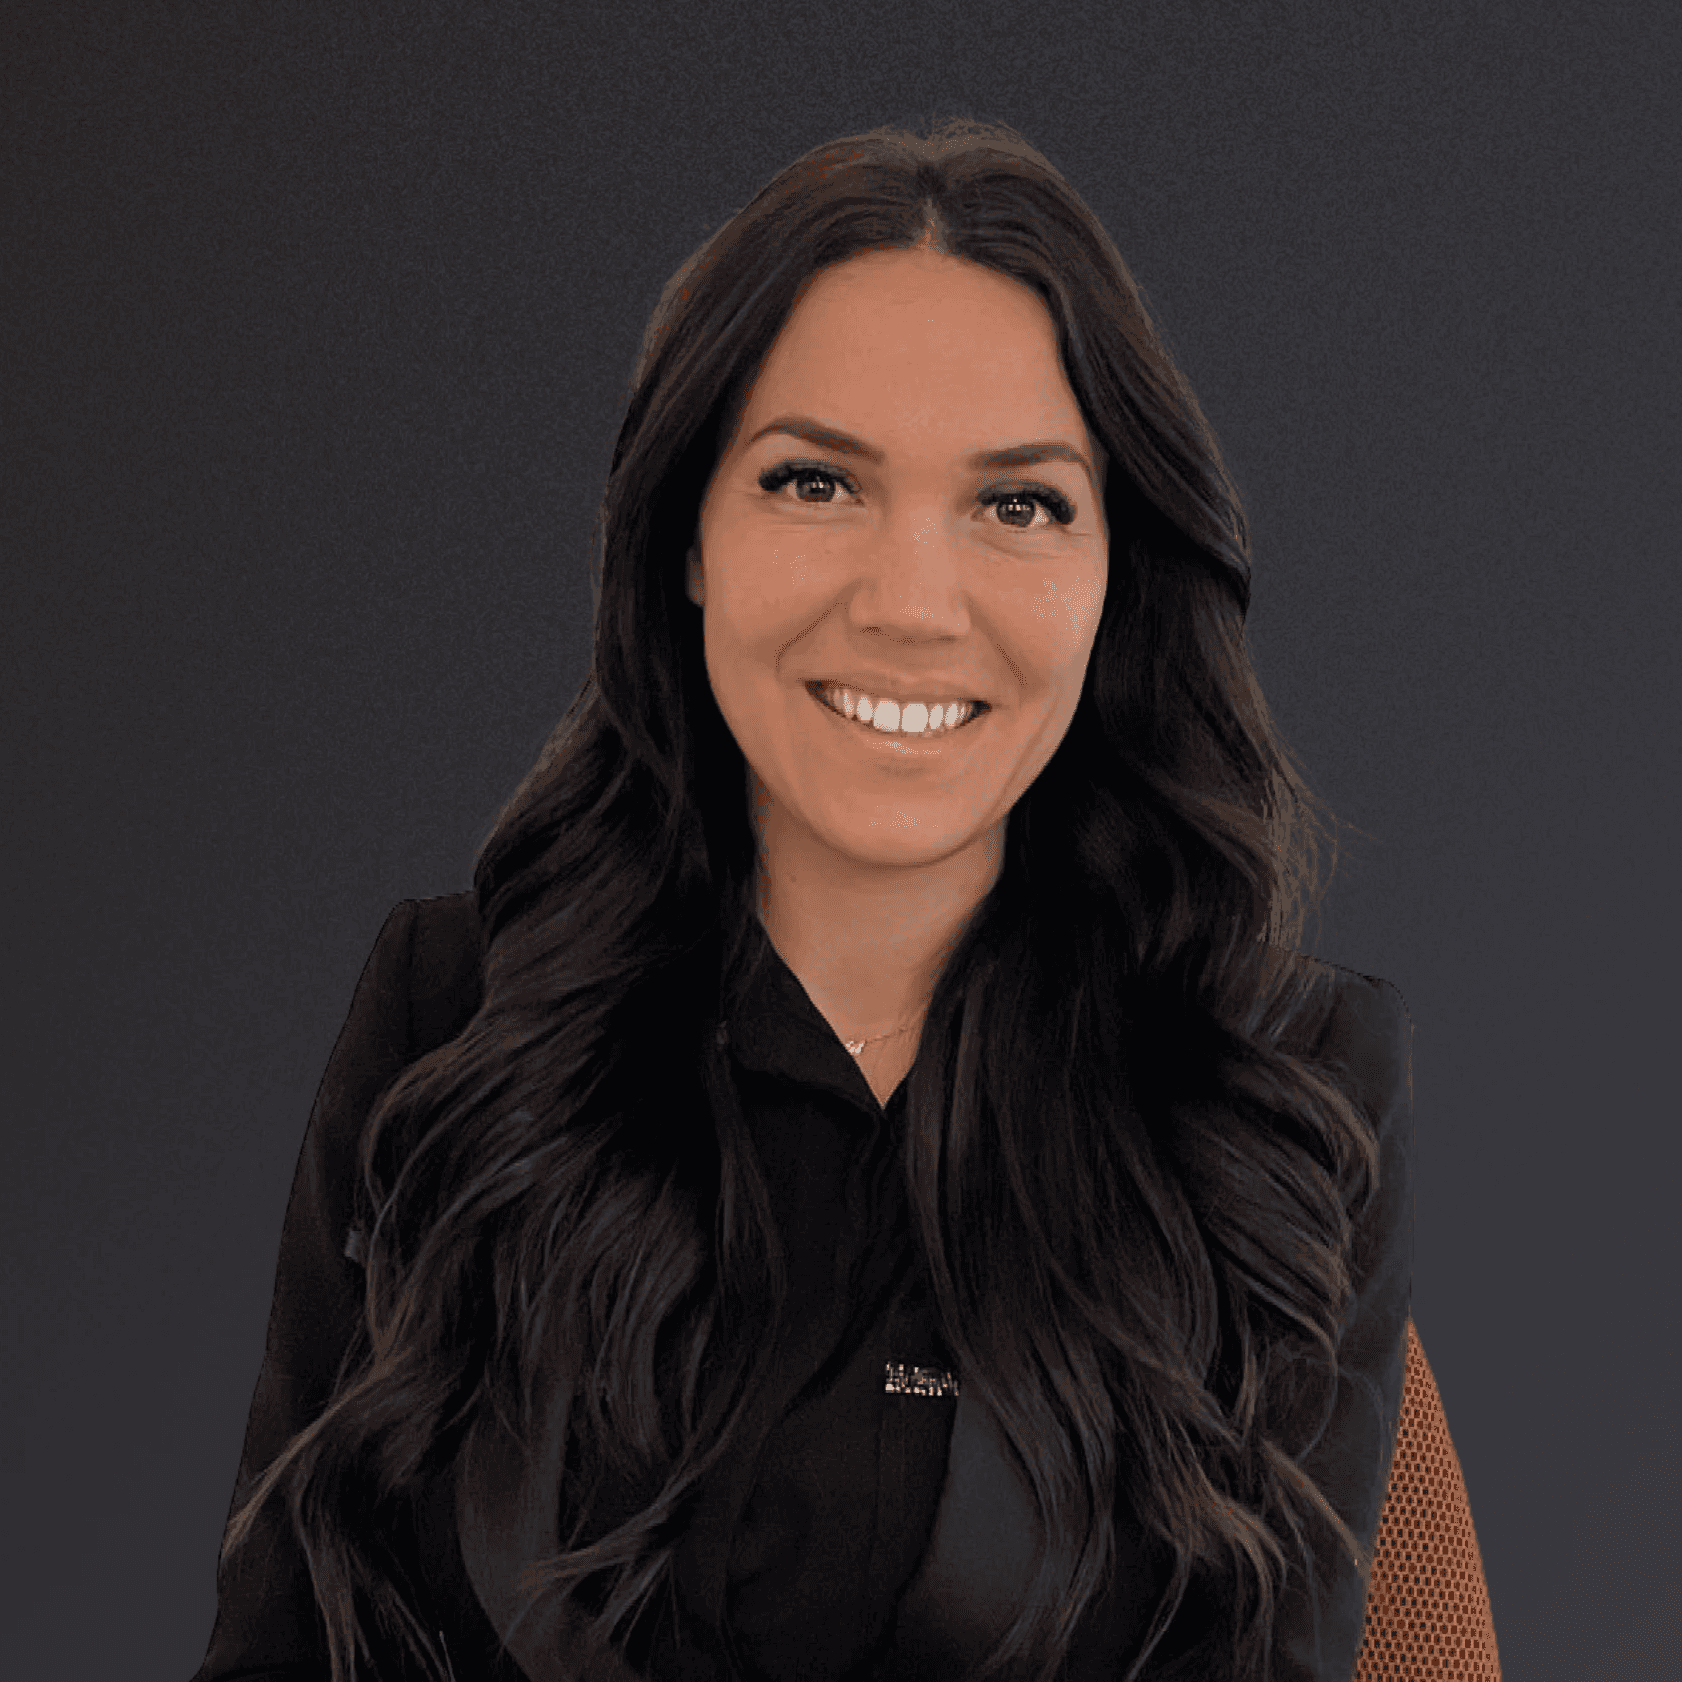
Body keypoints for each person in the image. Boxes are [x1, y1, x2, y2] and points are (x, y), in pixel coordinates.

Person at [191, 117, 1414, 1682]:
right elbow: (278, 1643)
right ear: (685, 538)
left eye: (1019, 502)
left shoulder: (1288, 1092)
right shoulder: (452, 1017)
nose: (909, 601)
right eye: (815, 480)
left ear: (1120, 568)